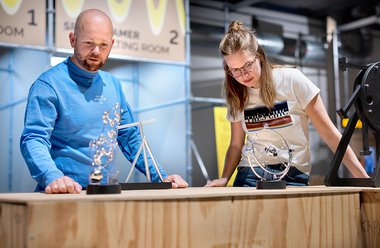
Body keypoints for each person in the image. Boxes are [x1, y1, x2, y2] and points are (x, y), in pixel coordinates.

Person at [20, 9, 188, 193]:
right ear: (72, 39)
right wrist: (52, 176)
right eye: (88, 43)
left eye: (104, 45)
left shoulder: (113, 85)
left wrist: (160, 177)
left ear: (112, 44)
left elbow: (131, 137)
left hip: (105, 194)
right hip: (63, 192)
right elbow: (34, 138)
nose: (96, 51)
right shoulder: (48, 85)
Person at [206, 20, 369, 187]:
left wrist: (363, 179)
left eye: (247, 65)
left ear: (259, 56)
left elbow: (329, 134)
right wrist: (224, 178)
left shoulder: (292, 79)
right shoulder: (236, 94)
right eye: (235, 70)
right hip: (249, 173)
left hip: (292, 173)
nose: (243, 75)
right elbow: (235, 145)